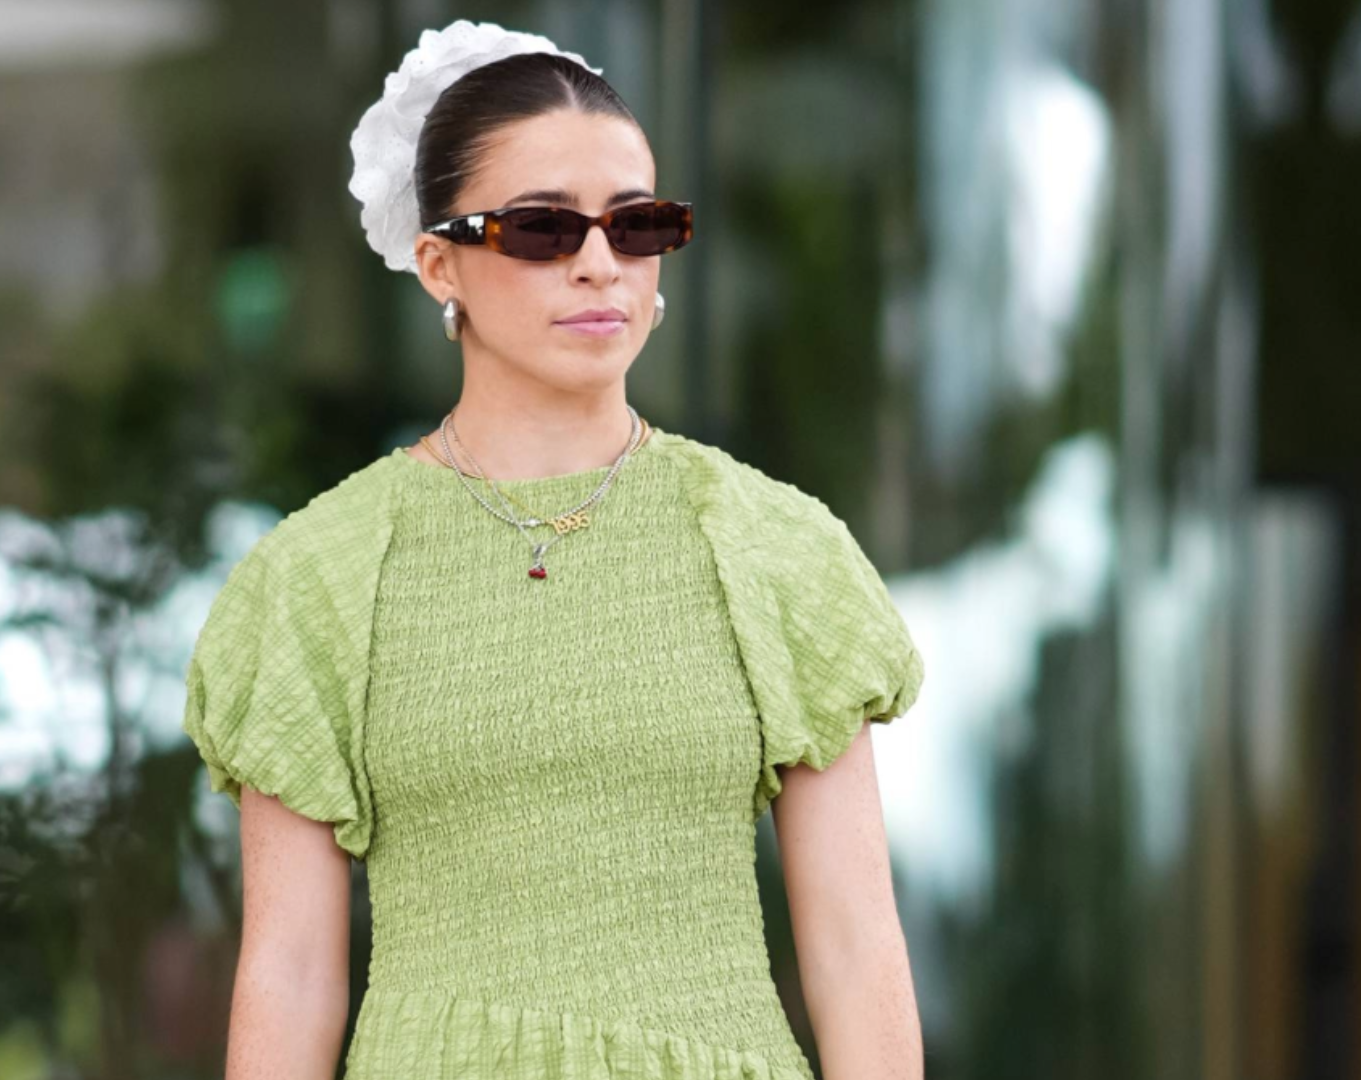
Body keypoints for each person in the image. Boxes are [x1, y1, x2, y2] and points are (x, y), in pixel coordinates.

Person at [181, 18, 926, 1080]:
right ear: (440, 264)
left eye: (637, 225)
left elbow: (855, 949)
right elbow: (291, 973)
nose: (598, 263)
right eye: (541, 228)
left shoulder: (774, 549)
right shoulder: (321, 574)